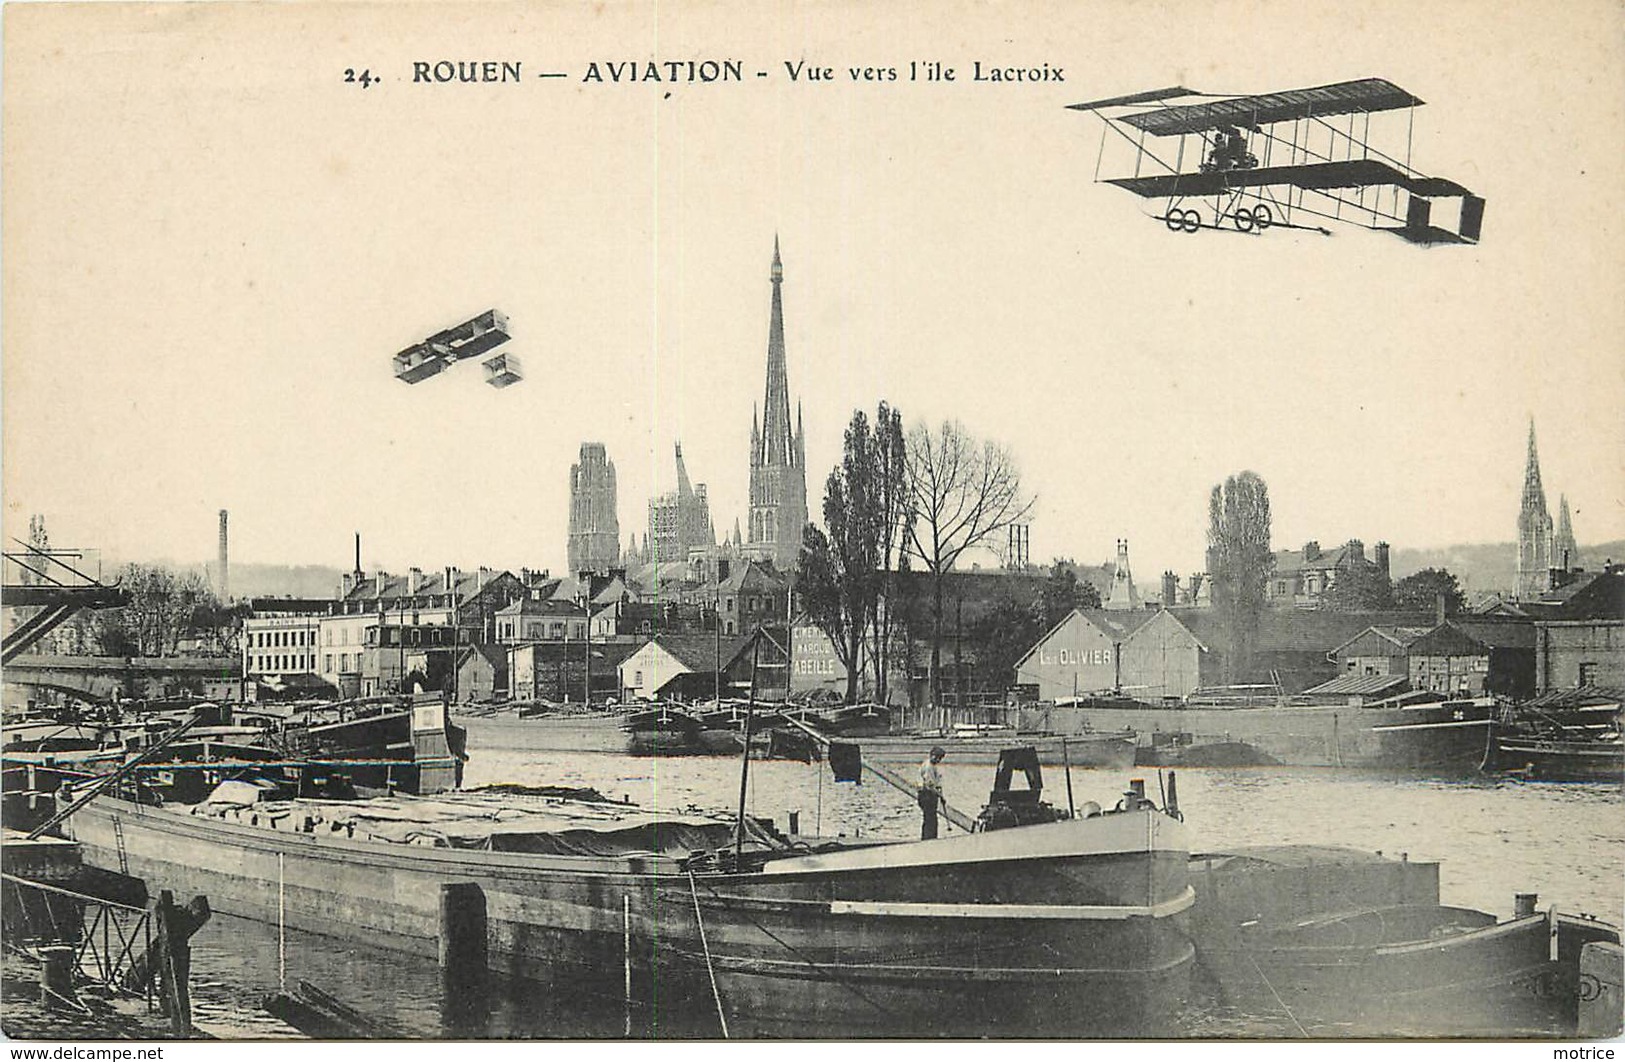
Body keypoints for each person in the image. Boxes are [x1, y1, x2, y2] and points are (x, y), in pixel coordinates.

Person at [917, 746, 946, 840]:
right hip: (927, 795)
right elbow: (929, 784)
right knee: (930, 819)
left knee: (931, 819)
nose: (938, 760)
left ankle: (929, 838)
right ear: (932, 755)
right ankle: (928, 839)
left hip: (930, 794)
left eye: (940, 758)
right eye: (937, 757)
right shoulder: (928, 766)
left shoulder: (932, 766)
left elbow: (935, 782)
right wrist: (939, 795)